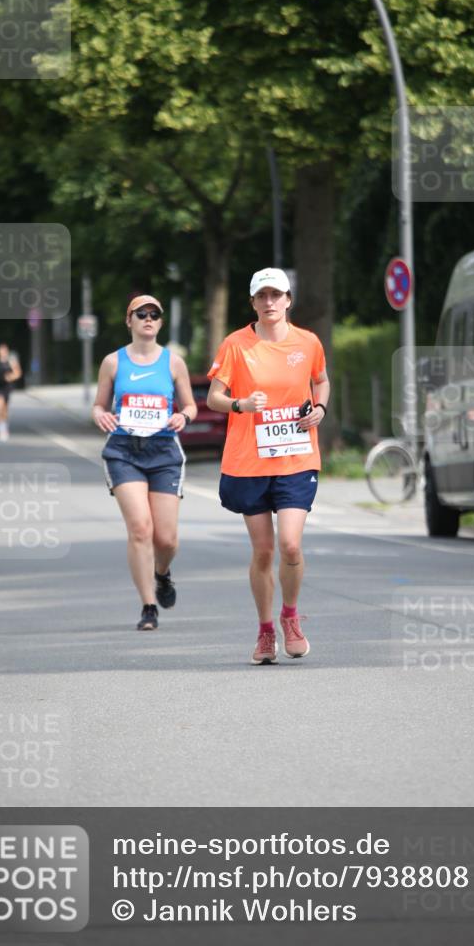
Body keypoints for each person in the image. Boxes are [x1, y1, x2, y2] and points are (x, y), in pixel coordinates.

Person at [207, 267, 330, 665]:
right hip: (249, 460)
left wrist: (321, 408)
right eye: (262, 296)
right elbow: (214, 397)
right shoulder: (236, 345)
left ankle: (290, 617)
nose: (269, 302)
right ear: (253, 302)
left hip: (296, 456)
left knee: (290, 545)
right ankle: (264, 632)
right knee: (263, 551)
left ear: (289, 299)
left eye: (276, 295)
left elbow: (321, 380)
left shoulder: (308, 342)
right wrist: (240, 404)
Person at [92, 295, 197, 631]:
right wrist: (101, 416)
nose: (148, 318)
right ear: (129, 321)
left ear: (161, 322)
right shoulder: (113, 362)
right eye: (141, 314)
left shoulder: (173, 363)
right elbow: (98, 405)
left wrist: (183, 416)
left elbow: (190, 406)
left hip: (164, 452)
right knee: (140, 529)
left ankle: (162, 574)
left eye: (155, 314)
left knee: (166, 540)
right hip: (125, 450)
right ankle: (148, 605)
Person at [0, 344, 22, 440]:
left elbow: (18, 373)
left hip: (7, 387)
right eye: (0, 352)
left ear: (6, 352)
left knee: (5, 409)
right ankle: (0, 430)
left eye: (3, 351)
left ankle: (5, 428)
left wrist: (10, 377)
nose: (1, 353)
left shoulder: (11, 361)